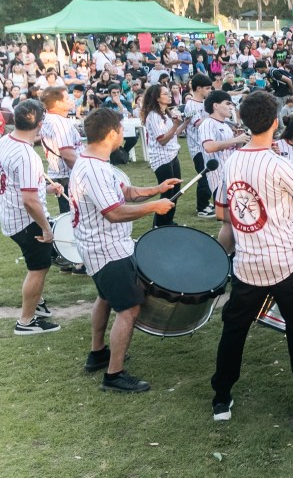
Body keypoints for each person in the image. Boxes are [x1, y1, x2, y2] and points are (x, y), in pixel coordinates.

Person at [211, 91, 293, 430]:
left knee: (234, 330)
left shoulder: (233, 160)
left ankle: (221, 397)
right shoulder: (278, 164)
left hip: (247, 263)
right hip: (285, 262)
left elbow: (223, 212)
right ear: (275, 122)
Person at [71, 108, 179, 391]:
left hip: (102, 247)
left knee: (104, 298)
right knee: (129, 309)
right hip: (107, 249)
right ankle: (114, 374)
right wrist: (154, 207)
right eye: (120, 129)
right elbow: (114, 212)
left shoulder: (96, 162)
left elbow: (124, 192)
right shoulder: (93, 169)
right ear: (111, 134)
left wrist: (157, 189)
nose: (123, 134)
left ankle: (97, 354)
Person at [1, 100, 64, 334]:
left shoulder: (5, 141)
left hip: (10, 215)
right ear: (39, 124)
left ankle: (37, 303)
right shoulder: (27, 156)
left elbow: (18, 185)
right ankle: (25, 322)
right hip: (25, 220)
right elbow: (29, 201)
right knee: (38, 268)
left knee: (37, 265)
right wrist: (46, 228)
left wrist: (45, 188)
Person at [141, 84, 186, 227]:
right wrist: (175, 125)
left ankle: (167, 222)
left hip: (172, 155)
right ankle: (160, 225)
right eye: (166, 94)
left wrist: (184, 124)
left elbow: (172, 136)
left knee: (175, 191)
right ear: (157, 98)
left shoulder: (165, 114)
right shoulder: (153, 116)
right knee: (168, 193)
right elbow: (162, 140)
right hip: (161, 158)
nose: (170, 95)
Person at [39, 86, 82, 216]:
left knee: (70, 216)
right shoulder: (60, 122)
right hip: (69, 176)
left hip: (61, 175)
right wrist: (85, 171)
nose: (71, 100)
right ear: (58, 103)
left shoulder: (48, 118)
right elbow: (68, 155)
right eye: (67, 98)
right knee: (75, 217)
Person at [200, 90, 249, 199]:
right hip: (219, 177)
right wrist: (235, 140)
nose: (231, 107)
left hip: (231, 173)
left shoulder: (226, 125)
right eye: (227, 103)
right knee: (224, 214)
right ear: (216, 105)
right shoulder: (208, 123)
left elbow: (233, 149)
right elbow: (209, 147)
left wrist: (239, 141)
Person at [183, 74, 215, 218]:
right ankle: (201, 207)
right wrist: (213, 116)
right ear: (198, 88)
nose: (209, 90)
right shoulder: (191, 104)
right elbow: (196, 123)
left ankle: (206, 203)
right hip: (197, 147)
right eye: (207, 88)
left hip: (206, 146)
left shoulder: (204, 103)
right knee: (203, 177)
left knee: (209, 176)